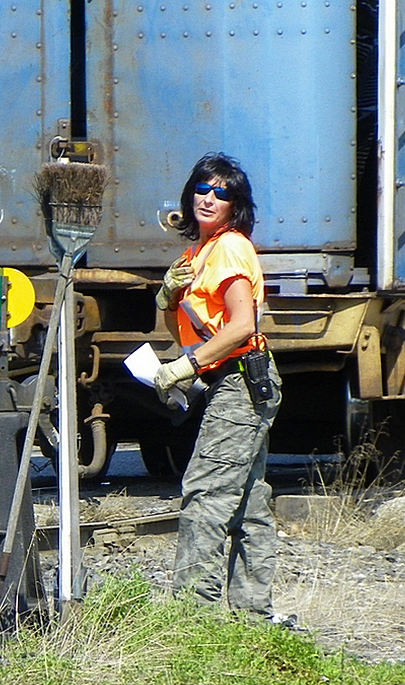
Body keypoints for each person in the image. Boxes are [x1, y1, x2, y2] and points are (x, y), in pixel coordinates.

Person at [153, 152, 288, 625]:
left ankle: (196, 616)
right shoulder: (198, 253)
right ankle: (253, 615)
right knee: (247, 500)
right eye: (203, 189)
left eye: (222, 193)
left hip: (239, 380)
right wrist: (169, 297)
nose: (210, 199)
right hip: (230, 380)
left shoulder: (229, 248)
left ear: (236, 205)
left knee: (206, 494)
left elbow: (240, 327)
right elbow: (188, 332)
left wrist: (184, 367)